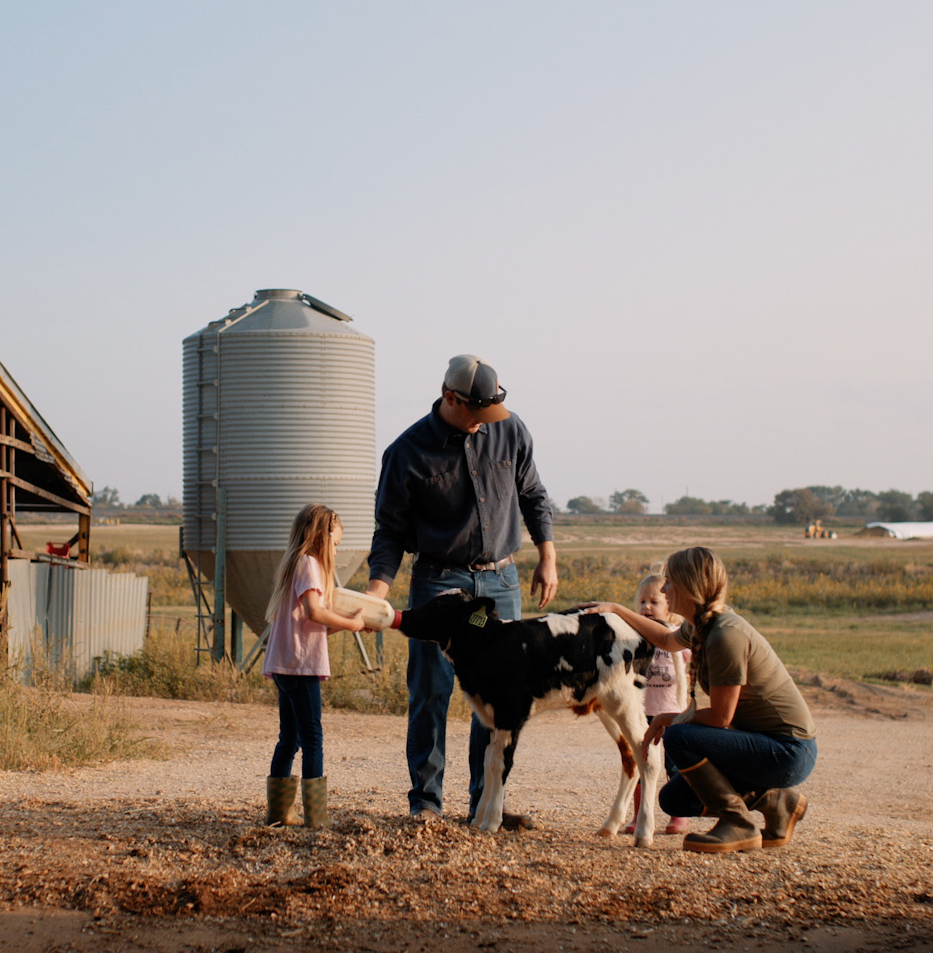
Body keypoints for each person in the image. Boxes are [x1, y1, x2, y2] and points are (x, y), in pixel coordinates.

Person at [366, 354, 558, 825]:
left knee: (498, 697)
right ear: (450, 397)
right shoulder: (407, 452)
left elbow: (533, 495)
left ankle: (485, 804)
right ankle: (426, 804)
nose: (483, 424)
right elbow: (389, 531)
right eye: (476, 413)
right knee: (430, 692)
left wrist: (548, 556)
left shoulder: (510, 431)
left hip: (501, 580)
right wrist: (377, 591)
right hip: (439, 581)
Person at [588, 547, 816, 853]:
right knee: (675, 799)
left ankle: (737, 824)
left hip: (787, 750)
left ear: (689, 586)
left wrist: (668, 720)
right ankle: (777, 802)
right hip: (766, 745)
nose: (664, 589)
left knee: (680, 736)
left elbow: (721, 718)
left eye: (669, 583)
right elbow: (667, 640)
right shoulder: (701, 626)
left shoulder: (725, 636)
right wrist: (617, 610)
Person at [263, 503, 365, 828]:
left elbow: (314, 625)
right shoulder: (309, 564)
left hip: (285, 663)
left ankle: (279, 814)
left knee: (289, 738)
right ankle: (316, 819)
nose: (337, 548)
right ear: (322, 534)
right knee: (312, 739)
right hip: (299, 665)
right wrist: (352, 625)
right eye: (336, 542)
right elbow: (314, 613)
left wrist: (352, 622)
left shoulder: (298, 563)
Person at [622, 569, 692, 836]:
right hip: (642, 712)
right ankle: (640, 815)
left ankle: (680, 816)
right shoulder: (633, 637)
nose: (646, 607)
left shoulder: (678, 635)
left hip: (673, 712)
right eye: (641, 602)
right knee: (641, 764)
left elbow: (693, 659)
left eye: (654, 602)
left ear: (670, 607)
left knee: (675, 767)